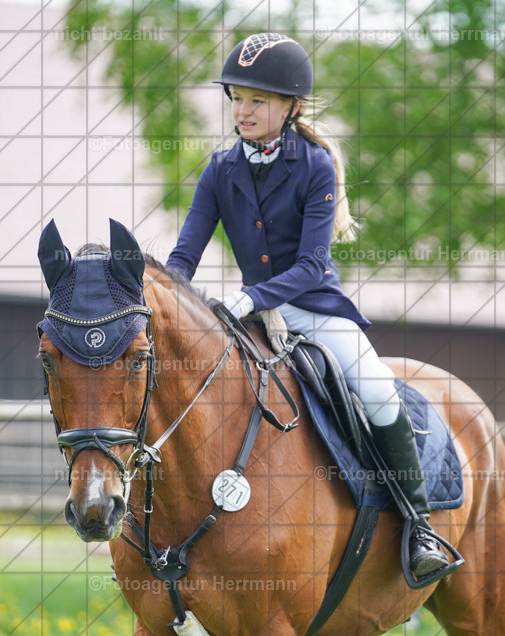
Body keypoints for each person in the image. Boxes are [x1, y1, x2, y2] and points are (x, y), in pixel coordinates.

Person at [165, 32, 453, 581]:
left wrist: (249, 295)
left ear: (289, 106)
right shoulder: (218, 168)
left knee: (377, 391)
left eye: (257, 100)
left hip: (313, 308)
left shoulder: (316, 165)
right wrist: (166, 303)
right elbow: (184, 255)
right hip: (250, 318)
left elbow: (311, 266)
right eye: (237, 99)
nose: (243, 111)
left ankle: (419, 528)